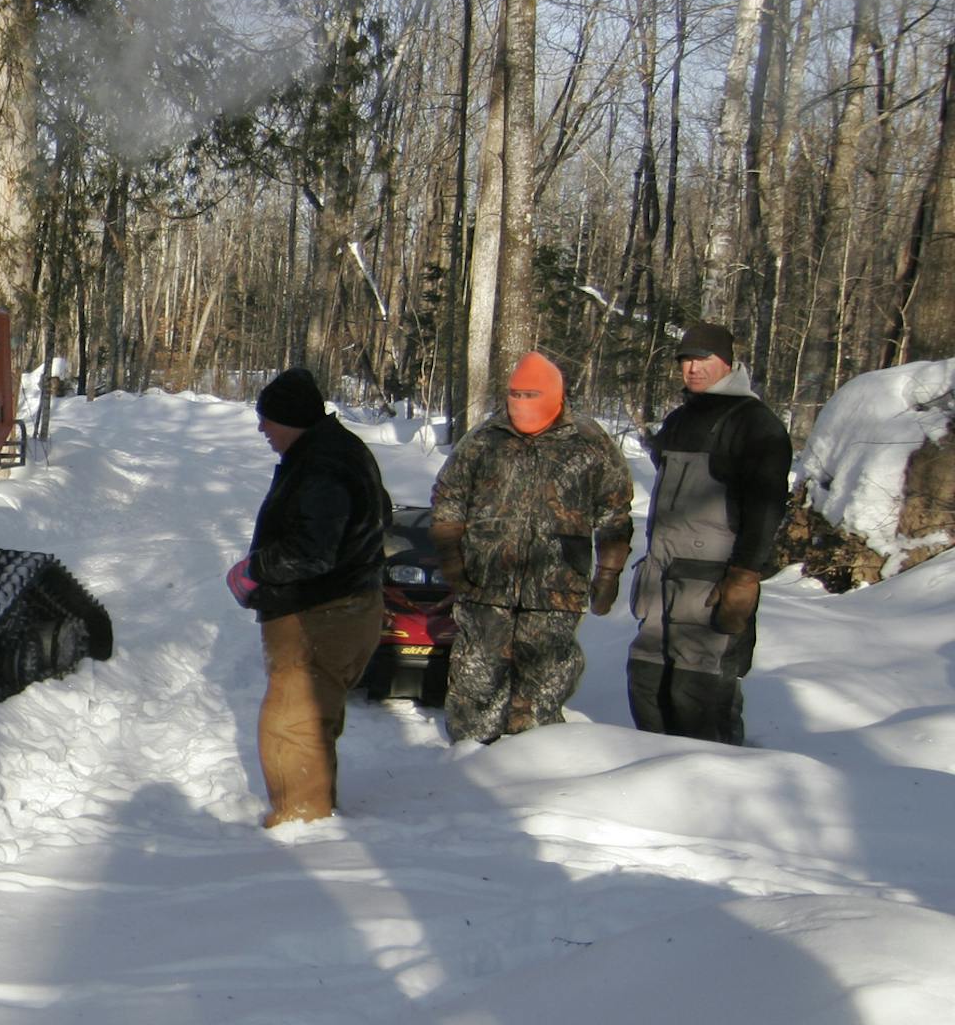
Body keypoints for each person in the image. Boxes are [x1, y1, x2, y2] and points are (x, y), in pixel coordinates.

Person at [428, 352, 634, 745]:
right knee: (477, 677)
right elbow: (449, 496)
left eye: (531, 394)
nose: (521, 403)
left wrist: (609, 571)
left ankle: (535, 764)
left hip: (556, 586)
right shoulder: (486, 439)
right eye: (514, 394)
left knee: (545, 683)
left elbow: (614, 510)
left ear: (554, 396)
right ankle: (468, 762)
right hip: (486, 583)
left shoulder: (589, 442)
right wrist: (452, 557)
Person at [226, 368, 390, 826]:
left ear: (292, 419)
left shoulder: (322, 467)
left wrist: (254, 570)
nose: (262, 429)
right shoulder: (334, 451)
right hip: (342, 607)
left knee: (293, 724)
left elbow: (311, 554)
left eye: (268, 420)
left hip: (323, 615)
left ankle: (303, 825)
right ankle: (309, 811)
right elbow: (382, 515)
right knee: (310, 719)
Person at [628, 322, 792, 744]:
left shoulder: (756, 424)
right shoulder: (680, 419)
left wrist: (744, 576)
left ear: (728, 362)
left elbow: (766, 508)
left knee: (698, 694)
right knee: (646, 683)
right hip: (661, 576)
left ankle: (716, 786)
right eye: (685, 360)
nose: (692, 368)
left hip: (711, 584)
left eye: (703, 359)